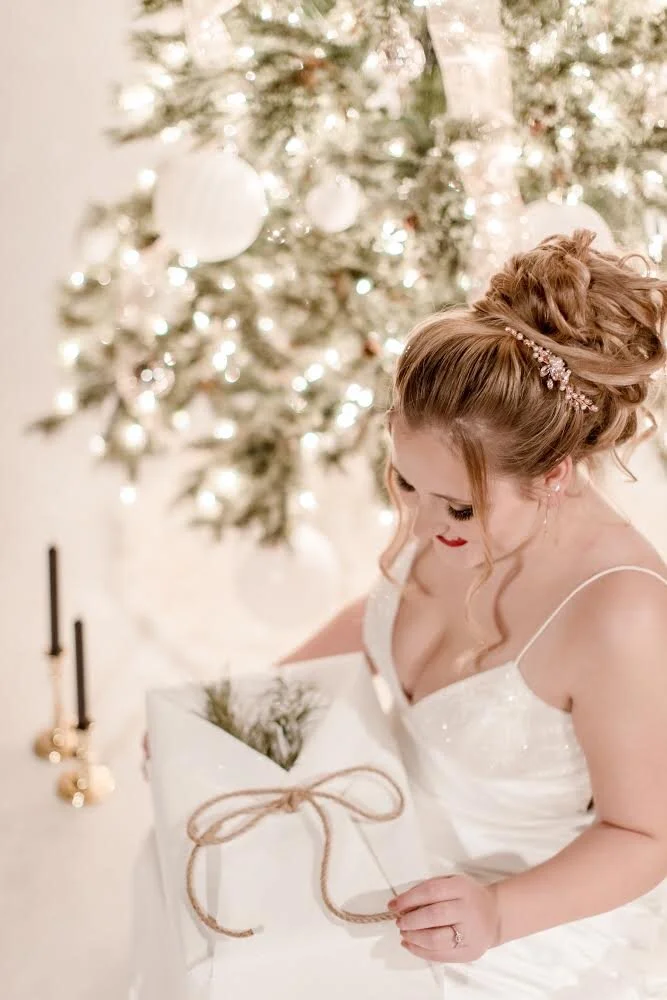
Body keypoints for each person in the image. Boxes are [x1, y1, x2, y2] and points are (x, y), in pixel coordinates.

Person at [145, 231, 667, 997]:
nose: (420, 527)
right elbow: (380, 616)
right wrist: (232, 714)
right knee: (205, 903)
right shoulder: (458, 516)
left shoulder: (621, 614)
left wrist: (496, 911)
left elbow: (644, 835)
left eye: (455, 506)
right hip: (380, 827)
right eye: (405, 484)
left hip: (520, 912)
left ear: (553, 476)